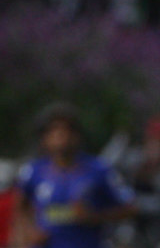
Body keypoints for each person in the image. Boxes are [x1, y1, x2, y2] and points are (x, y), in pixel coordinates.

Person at [10, 102, 136, 248]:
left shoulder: (99, 170)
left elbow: (130, 207)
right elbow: (20, 207)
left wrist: (94, 216)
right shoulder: (33, 171)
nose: (60, 136)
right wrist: (28, 232)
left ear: (77, 135)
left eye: (66, 130)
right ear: (44, 138)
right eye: (53, 131)